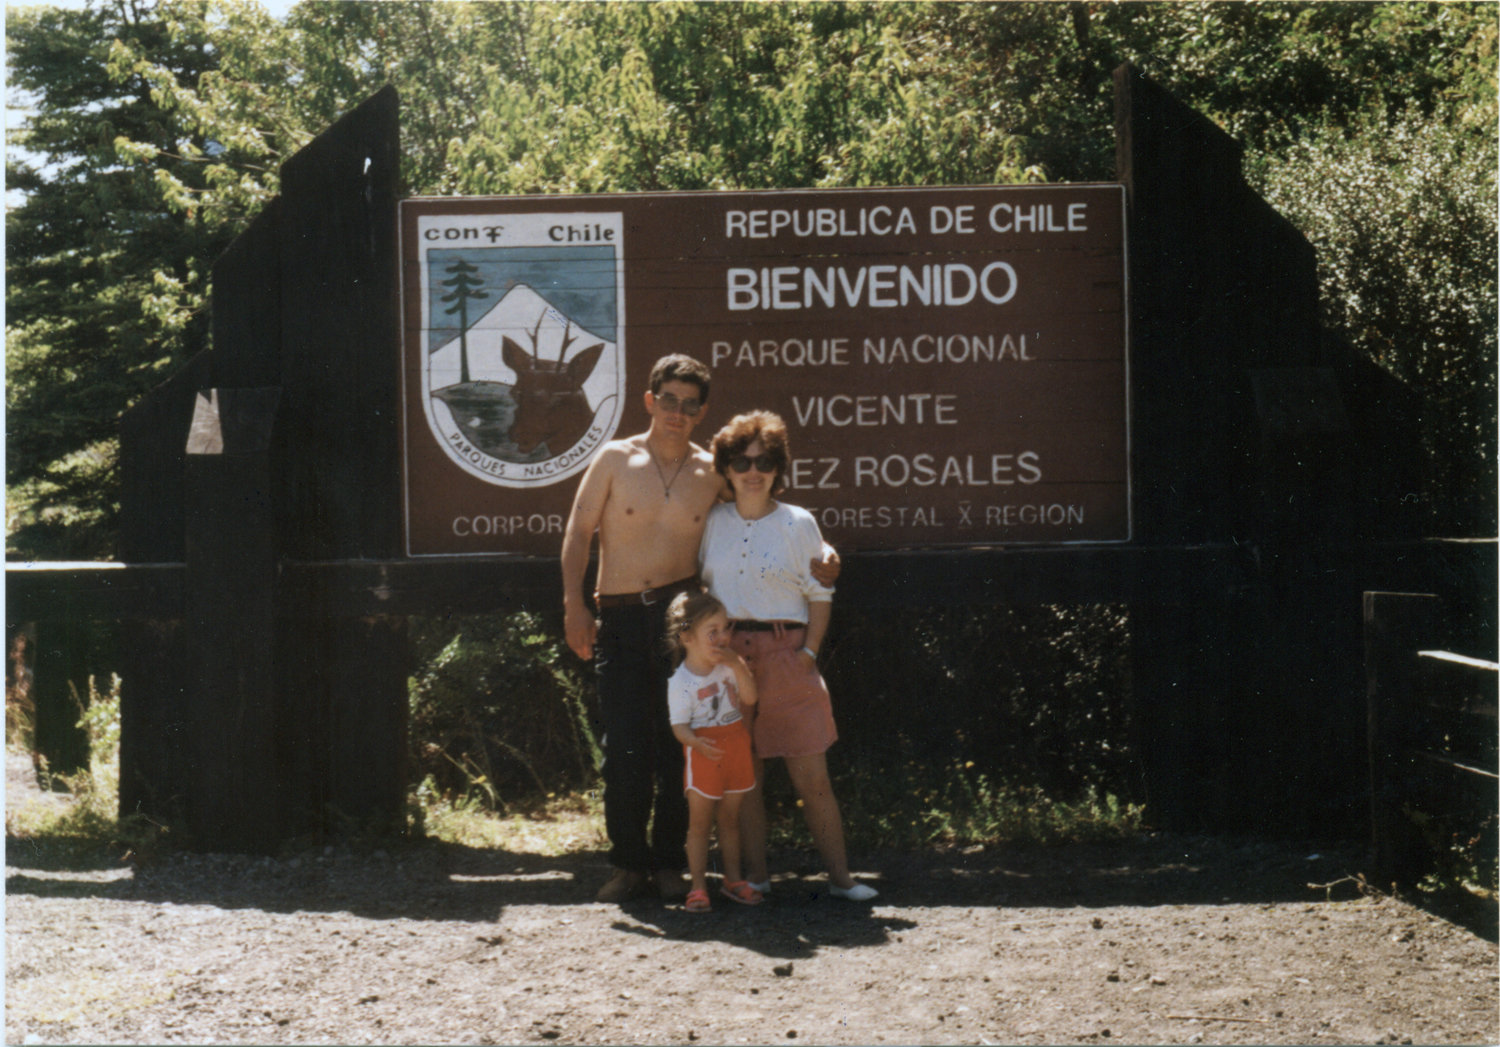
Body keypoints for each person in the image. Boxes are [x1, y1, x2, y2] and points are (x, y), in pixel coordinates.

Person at [561, 355, 839, 903]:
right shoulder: (615, 459)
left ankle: (669, 865)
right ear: (649, 400)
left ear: (701, 412)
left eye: (690, 404)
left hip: (683, 624)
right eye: (668, 399)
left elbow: (765, 514)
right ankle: (626, 865)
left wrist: (824, 553)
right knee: (624, 749)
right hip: (616, 616)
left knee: (679, 745)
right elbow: (577, 532)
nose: (677, 412)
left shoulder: (709, 473)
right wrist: (575, 604)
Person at [700, 411, 878, 902]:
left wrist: (809, 653)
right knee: (745, 778)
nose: (752, 471)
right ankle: (757, 877)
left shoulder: (799, 523)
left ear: (779, 468)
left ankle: (842, 880)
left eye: (764, 461)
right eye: (740, 461)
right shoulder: (712, 521)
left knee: (811, 776)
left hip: (787, 653)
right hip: (728, 657)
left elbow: (820, 594)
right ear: (726, 468)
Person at [664, 590, 761, 912]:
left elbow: (749, 699)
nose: (723, 638)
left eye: (725, 629)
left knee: (730, 820)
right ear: (687, 637)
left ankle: (733, 881)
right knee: (700, 825)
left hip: (735, 747)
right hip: (704, 754)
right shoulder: (680, 682)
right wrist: (695, 743)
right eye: (713, 632)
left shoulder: (730, 666)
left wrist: (737, 664)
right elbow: (679, 728)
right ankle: (698, 888)